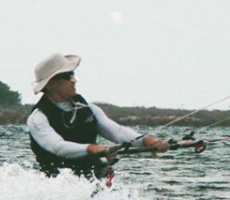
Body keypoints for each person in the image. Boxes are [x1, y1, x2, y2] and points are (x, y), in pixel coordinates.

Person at [27, 53, 169, 178]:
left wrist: (145, 140)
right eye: (67, 76)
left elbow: (117, 132)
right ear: (51, 84)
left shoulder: (90, 109)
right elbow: (57, 147)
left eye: (73, 74)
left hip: (93, 175)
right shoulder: (37, 118)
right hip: (58, 182)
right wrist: (92, 148)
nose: (74, 80)